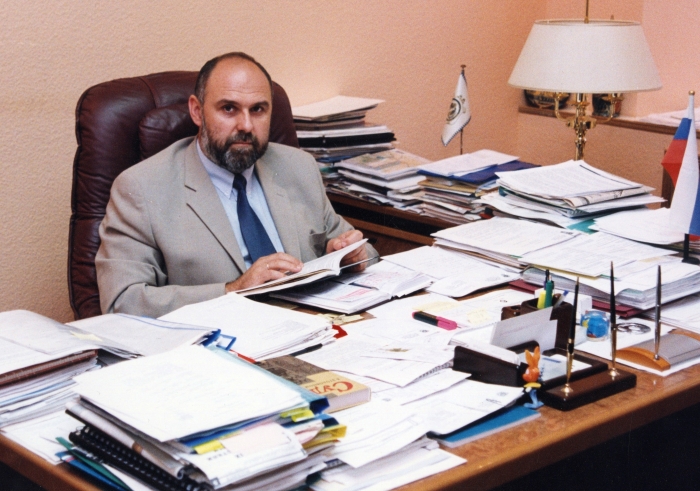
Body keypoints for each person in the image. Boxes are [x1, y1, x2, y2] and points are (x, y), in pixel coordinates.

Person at [96, 52, 374, 318]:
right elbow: (122, 302)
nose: (246, 126)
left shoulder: (298, 167)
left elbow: (365, 252)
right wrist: (233, 291)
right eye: (229, 108)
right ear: (197, 111)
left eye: (258, 110)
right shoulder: (141, 188)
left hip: (314, 326)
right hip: (218, 341)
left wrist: (353, 255)